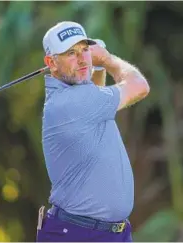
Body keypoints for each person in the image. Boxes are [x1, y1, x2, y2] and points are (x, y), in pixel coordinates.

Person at [36, 21, 150, 242]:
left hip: (106, 233)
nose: (81, 59)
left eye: (85, 50)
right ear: (52, 63)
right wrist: (106, 59)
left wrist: (95, 68)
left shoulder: (77, 96)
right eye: (71, 53)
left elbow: (94, 94)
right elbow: (140, 86)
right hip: (78, 234)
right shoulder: (70, 102)